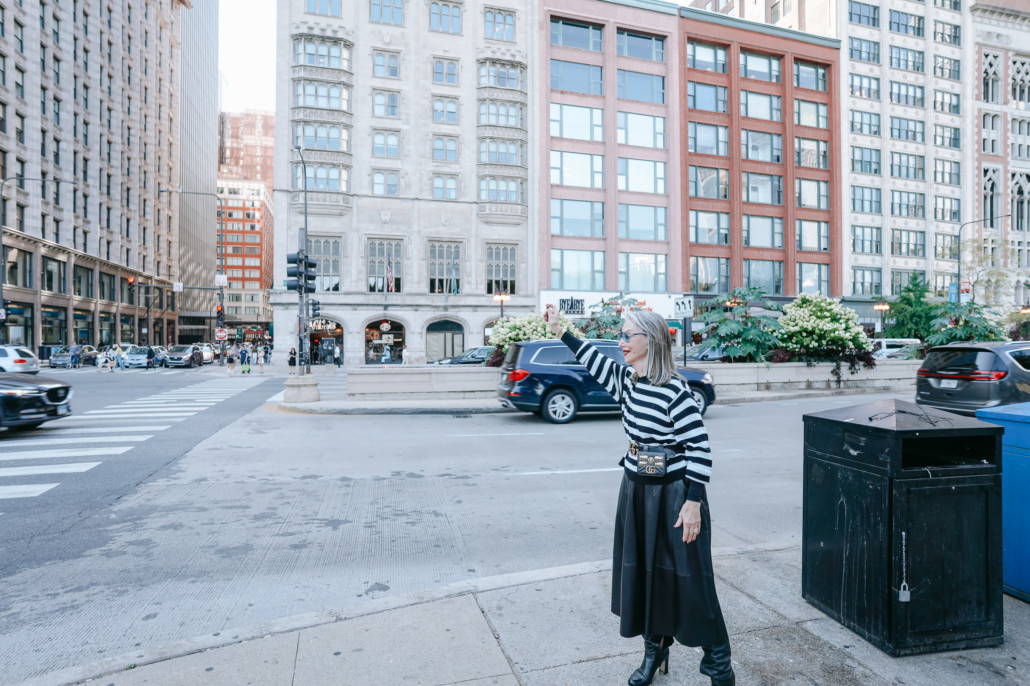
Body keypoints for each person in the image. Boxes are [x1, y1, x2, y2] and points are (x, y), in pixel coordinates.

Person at [543, 304, 735, 686]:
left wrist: (693, 502)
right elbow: (590, 357)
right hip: (636, 489)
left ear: (652, 340)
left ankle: (718, 661)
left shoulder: (675, 391)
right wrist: (559, 329)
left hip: (678, 496)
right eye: (621, 335)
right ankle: (655, 649)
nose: (621, 342)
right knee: (645, 575)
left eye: (628, 335)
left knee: (690, 579)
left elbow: (699, 448)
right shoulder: (626, 380)